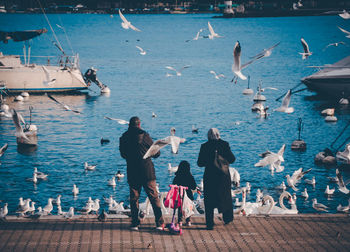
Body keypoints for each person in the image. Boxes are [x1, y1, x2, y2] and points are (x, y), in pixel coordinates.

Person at [119, 116, 164, 230]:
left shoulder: (124, 137)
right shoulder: (145, 136)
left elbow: (123, 155)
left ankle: (135, 223)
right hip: (147, 171)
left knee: (134, 199)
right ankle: (159, 223)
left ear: (129, 125)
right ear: (139, 124)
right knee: (154, 197)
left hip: (132, 171)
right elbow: (156, 154)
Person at [197, 128, 236, 230]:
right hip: (223, 176)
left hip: (210, 177)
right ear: (219, 134)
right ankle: (227, 218)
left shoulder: (204, 146)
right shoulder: (224, 144)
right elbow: (232, 159)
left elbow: (200, 163)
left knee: (209, 200)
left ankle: (210, 223)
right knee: (226, 197)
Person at [172, 160, 198, 226]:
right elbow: (194, 186)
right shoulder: (190, 177)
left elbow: (174, 184)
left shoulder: (177, 176)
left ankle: (180, 221)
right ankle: (188, 221)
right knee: (188, 208)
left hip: (179, 195)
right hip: (188, 195)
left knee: (180, 208)